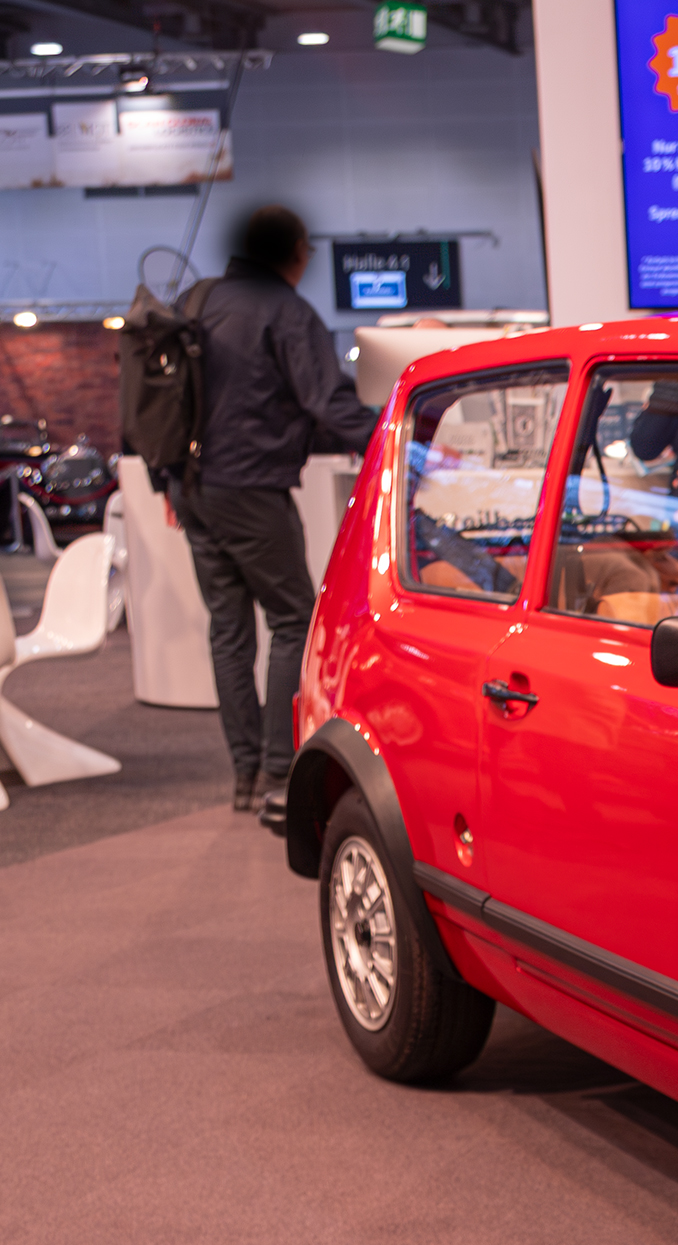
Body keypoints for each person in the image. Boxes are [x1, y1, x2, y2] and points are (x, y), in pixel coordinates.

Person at [170, 204, 377, 812]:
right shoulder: (284, 311)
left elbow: (162, 402)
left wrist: (167, 484)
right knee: (292, 619)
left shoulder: (196, 302)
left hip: (194, 489)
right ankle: (280, 769)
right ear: (290, 251)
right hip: (252, 489)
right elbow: (327, 401)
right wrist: (399, 440)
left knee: (228, 629)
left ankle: (244, 774)